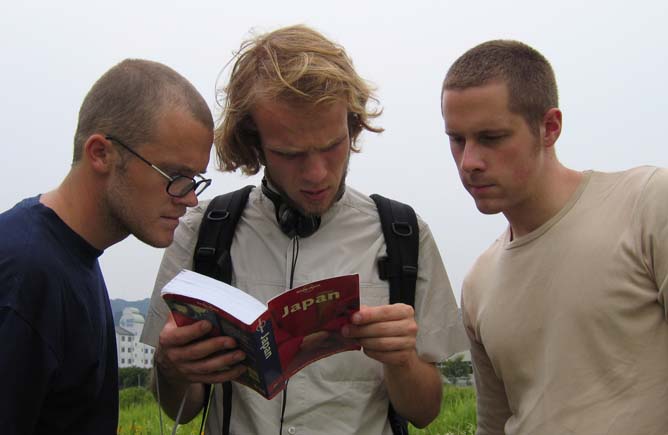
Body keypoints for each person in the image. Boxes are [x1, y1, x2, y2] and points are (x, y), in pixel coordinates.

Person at [141, 24, 466, 434]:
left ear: (352, 125)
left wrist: (401, 360)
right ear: (254, 144)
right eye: (289, 153)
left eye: (332, 145)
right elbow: (181, 410)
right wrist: (171, 369)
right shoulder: (203, 233)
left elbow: (425, 411)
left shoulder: (403, 234)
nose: (316, 174)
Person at [441, 39, 668, 435]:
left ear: (550, 128)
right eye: (457, 139)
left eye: (491, 138)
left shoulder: (646, 204)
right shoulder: (479, 281)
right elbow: (493, 426)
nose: (469, 162)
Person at [0, 59, 214, 434]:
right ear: (100, 153)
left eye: (195, 180)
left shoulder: (72, 257)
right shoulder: (26, 273)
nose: (190, 199)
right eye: (176, 176)